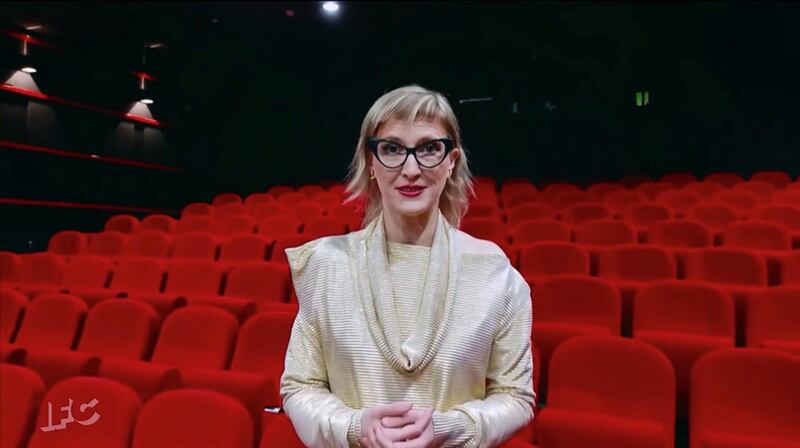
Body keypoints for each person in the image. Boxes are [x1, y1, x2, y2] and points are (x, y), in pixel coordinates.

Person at [281, 84, 535, 448]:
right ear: (371, 162)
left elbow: (516, 396)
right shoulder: (326, 266)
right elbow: (299, 386)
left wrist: (449, 428)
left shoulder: (496, 276)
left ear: (452, 161)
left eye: (430, 148)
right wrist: (353, 426)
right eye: (392, 149)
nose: (411, 169)